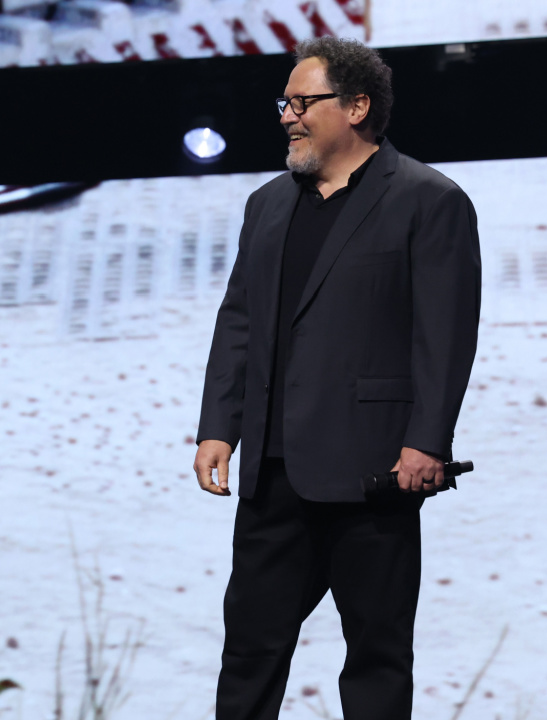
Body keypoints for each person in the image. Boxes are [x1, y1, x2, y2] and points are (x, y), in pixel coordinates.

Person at [191, 37, 481, 720]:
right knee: (250, 650)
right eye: (284, 102)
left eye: (303, 101)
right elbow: (238, 321)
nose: (288, 114)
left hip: (372, 468)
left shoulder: (428, 200)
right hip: (272, 471)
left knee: (376, 655)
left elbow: (445, 336)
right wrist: (217, 429)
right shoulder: (266, 205)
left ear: (357, 106)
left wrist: (427, 442)